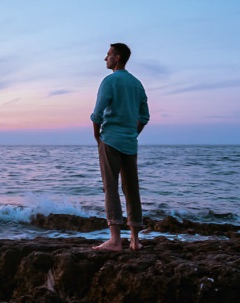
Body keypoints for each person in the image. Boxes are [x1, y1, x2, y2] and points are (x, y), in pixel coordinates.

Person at [90, 43, 149, 251]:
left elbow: (97, 112)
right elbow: (144, 116)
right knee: (132, 189)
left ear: (117, 58)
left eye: (108, 55)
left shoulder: (110, 81)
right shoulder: (137, 84)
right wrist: (133, 132)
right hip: (130, 142)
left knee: (111, 188)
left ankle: (115, 240)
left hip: (111, 140)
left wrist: (97, 135)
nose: (105, 58)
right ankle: (134, 239)